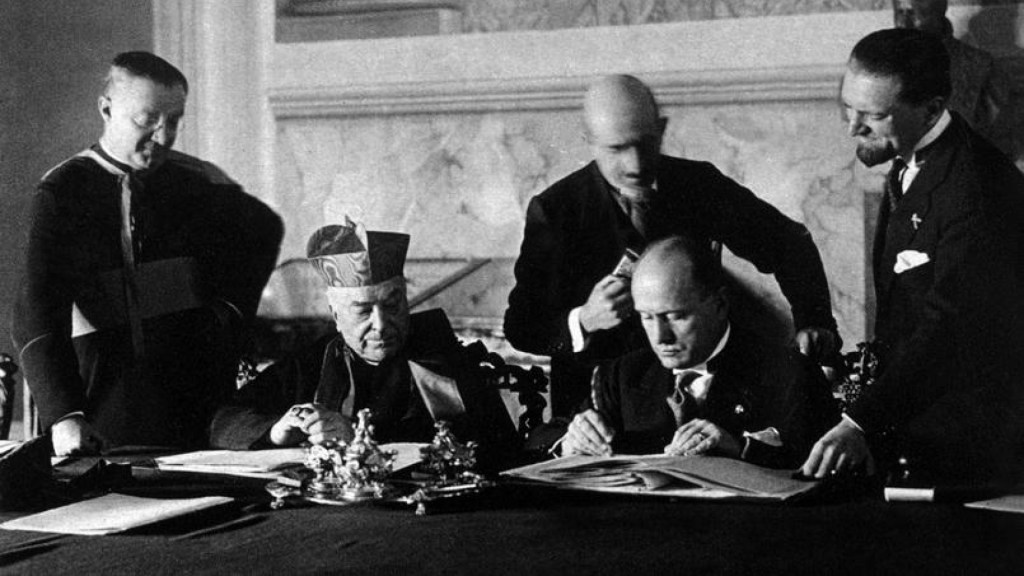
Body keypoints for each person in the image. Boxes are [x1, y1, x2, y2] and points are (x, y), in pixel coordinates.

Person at [504, 74, 840, 416]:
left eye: (645, 143)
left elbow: (789, 244)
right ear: (588, 140)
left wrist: (813, 321)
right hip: (598, 414)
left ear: (662, 129)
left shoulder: (699, 185)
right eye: (617, 149)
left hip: (706, 400)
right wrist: (583, 320)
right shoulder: (556, 210)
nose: (635, 165)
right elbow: (520, 327)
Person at [12, 52, 283, 455]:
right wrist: (66, 415)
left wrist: (228, 313)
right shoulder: (63, 191)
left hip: (198, 400)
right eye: (147, 120)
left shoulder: (198, 182)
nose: (163, 136)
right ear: (106, 108)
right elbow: (36, 309)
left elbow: (264, 228)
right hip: (104, 403)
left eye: (173, 121)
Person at [802, 29, 1024, 484]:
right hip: (918, 427)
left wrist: (860, 422)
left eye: (874, 115)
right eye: (848, 107)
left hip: (970, 449)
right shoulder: (912, 158)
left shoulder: (976, 191)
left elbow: (949, 329)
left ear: (932, 108)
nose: (852, 127)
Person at [210, 220, 518, 462]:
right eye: (362, 310)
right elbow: (223, 423)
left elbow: (495, 445)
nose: (381, 324)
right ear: (335, 314)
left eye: (392, 304)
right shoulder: (313, 361)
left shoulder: (443, 358)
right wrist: (276, 432)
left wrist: (361, 436)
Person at [560, 236, 838, 468]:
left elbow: (825, 469)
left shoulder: (790, 373)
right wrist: (571, 441)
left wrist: (742, 450)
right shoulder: (620, 376)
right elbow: (546, 436)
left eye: (676, 316)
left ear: (719, 304)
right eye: (646, 317)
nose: (660, 337)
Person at [893, 0, 1015, 158]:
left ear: (939, 12)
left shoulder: (979, 66)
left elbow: (1001, 140)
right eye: (900, 13)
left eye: (913, 13)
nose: (904, 24)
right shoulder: (884, 64)